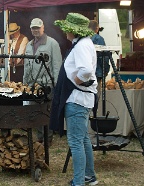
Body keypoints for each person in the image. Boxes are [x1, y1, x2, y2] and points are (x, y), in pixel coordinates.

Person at [51, 13, 98, 186]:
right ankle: (89, 176)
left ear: (73, 31)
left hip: (78, 100)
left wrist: (74, 83)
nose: (65, 33)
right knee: (83, 139)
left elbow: (85, 70)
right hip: (81, 100)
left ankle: (79, 182)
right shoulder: (83, 43)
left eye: (66, 30)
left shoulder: (81, 46)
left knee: (76, 142)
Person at [23, 18, 62, 144]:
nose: (35, 30)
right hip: (32, 84)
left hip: (47, 84)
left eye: (38, 28)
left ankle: (47, 138)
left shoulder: (52, 43)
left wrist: (56, 85)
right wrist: (25, 84)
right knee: (35, 111)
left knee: (46, 111)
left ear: (43, 28)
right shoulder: (28, 45)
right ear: (30, 29)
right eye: (33, 28)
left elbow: (57, 66)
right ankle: (40, 137)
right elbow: (26, 66)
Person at [88, 20, 110, 94]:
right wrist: (106, 70)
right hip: (97, 72)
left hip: (85, 73)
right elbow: (104, 56)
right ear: (97, 28)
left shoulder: (83, 39)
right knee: (95, 96)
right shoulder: (99, 39)